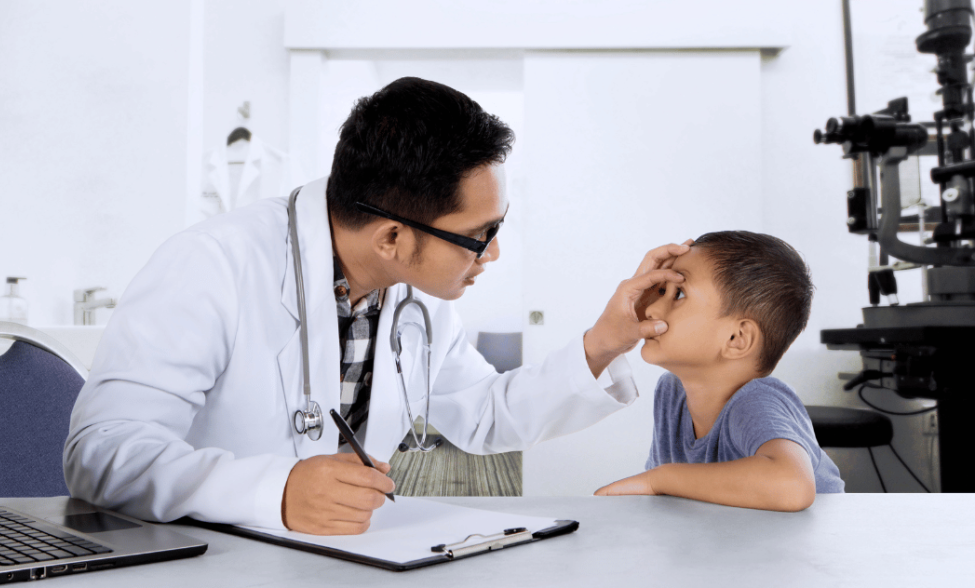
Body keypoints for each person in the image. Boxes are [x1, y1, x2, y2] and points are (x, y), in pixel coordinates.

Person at [65, 76, 688, 535]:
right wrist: (273, 490)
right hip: (211, 562)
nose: (491, 255)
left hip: (345, 560)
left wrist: (607, 339)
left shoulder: (412, 295)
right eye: (479, 236)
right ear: (391, 237)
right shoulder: (212, 266)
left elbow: (483, 415)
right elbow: (102, 454)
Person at [595, 231, 844, 511]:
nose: (651, 308)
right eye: (661, 291)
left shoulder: (756, 400)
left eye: (678, 294)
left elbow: (793, 486)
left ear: (736, 339)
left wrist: (659, 480)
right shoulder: (671, 392)